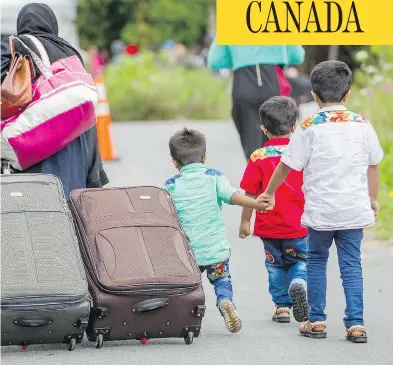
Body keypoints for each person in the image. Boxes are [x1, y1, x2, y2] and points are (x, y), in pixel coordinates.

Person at [258, 61, 384, 343]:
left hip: (321, 212)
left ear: (314, 95)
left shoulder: (308, 126)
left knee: (316, 262)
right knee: (351, 265)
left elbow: (287, 165)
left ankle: (316, 321)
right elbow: (373, 164)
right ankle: (356, 324)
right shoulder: (362, 124)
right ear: (347, 94)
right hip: (352, 209)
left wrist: (270, 192)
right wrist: (372, 198)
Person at [164, 128, 268, 334]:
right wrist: (256, 203)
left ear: (174, 162)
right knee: (221, 279)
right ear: (204, 157)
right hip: (214, 250)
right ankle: (225, 301)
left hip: (186, 253)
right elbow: (234, 196)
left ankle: (186, 317)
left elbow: (161, 214)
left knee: (188, 286)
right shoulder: (214, 177)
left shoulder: (171, 186)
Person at [11, 3, 108, 197]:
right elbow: (87, 110)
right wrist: (94, 173)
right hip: (75, 146)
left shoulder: (15, 49)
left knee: (37, 215)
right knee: (69, 210)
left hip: (35, 147)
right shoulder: (71, 53)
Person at [239, 96, 308, 324]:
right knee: (300, 261)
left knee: (275, 265)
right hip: (300, 225)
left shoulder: (258, 157)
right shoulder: (302, 155)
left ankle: (281, 308)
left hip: (268, 226)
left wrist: (245, 222)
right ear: (294, 127)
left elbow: (249, 193)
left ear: (263, 129)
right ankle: (299, 281)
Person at [207, 41, 305, 159]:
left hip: (243, 81)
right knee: (276, 143)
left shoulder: (230, 24)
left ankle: (255, 171)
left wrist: (238, 58)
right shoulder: (279, 22)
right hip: (272, 81)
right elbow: (298, 55)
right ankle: (274, 173)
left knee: (251, 146)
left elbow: (214, 60)